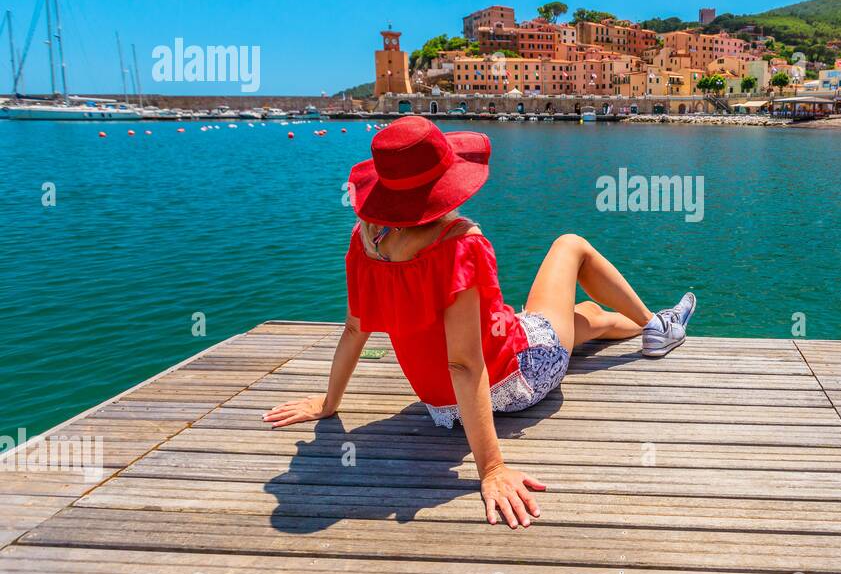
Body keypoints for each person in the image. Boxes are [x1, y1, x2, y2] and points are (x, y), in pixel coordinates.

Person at [262, 116, 695, 529]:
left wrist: (329, 403)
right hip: (520, 375)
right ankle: (658, 326)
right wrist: (492, 467)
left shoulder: (365, 241)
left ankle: (646, 325)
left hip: (442, 407)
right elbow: (465, 365)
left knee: (589, 320)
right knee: (571, 245)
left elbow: (357, 329)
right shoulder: (458, 244)